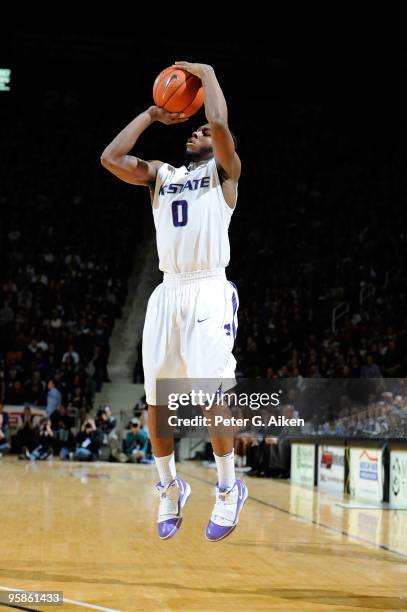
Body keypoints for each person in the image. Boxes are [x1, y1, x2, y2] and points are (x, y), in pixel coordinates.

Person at [101, 61, 247, 541]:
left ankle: (228, 488)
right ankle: (169, 487)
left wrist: (205, 75)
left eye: (202, 130)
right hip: (167, 291)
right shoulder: (162, 175)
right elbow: (110, 157)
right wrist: (150, 114)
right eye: (195, 128)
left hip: (208, 286)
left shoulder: (225, 174)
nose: (198, 131)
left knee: (210, 396)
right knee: (158, 402)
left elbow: (222, 124)